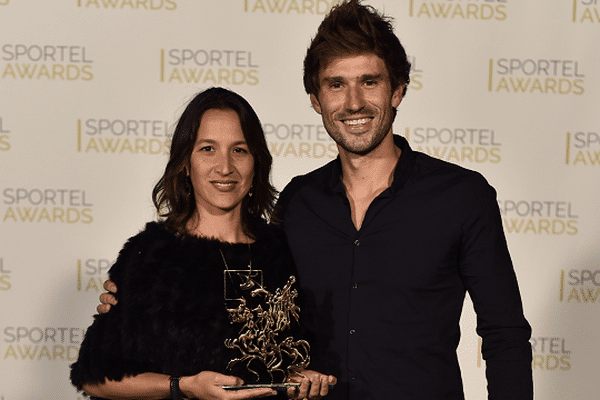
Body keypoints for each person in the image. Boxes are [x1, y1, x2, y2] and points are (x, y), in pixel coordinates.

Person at [99, 1, 533, 399]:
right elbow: (246, 299)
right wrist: (136, 298)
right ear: (316, 99)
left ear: (397, 90)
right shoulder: (299, 202)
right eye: (336, 85)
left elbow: (505, 334)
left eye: (370, 81)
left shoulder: (461, 196)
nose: (354, 102)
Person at [71, 87, 336, 400]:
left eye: (239, 150)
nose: (224, 167)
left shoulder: (285, 252)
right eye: (208, 148)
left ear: (256, 162)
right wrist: (182, 386)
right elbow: (95, 376)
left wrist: (302, 378)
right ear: (186, 162)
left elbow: (294, 356)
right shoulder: (151, 255)